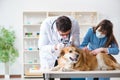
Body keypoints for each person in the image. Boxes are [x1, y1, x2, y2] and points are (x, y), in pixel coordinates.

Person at [38, 16, 80, 80]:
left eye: (67, 34)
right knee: (48, 77)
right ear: (57, 29)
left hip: (65, 58)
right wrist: (55, 47)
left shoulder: (75, 23)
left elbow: (77, 45)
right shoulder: (46, 25)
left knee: (65, 77)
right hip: (50, 57)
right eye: (62, 35)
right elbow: (41, 47)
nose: (65, 37)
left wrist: (72, 42)